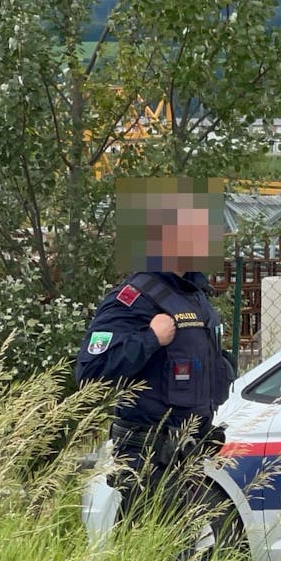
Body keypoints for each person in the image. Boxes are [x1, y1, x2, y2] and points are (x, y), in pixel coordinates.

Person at [76, 178, 236, 522]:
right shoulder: (133, 298)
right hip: (147, 461)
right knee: (153, 557)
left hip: (188, 456)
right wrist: (149, 338)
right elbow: (90, 372)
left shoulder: (195, 296)